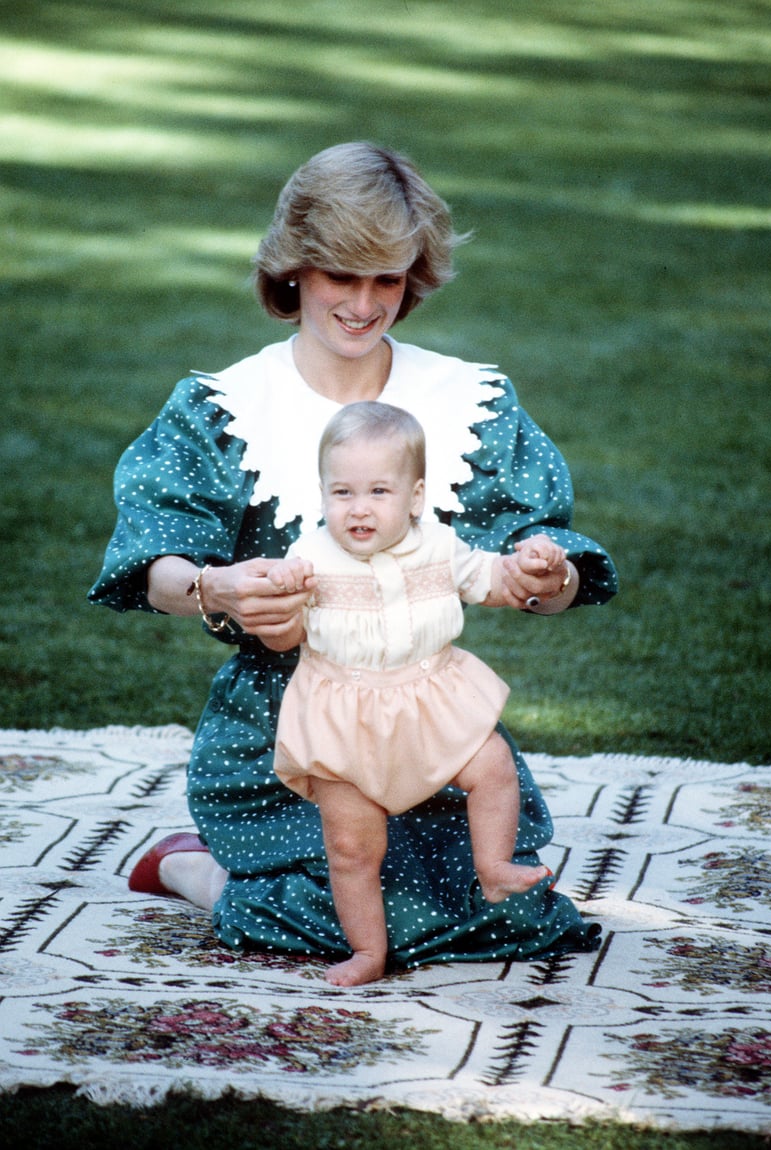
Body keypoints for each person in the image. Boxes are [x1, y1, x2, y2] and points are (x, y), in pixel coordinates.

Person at [90, 141, 617, 981]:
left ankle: (314, 885)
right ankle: (200, 867)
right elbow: (150, 556)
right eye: (343, 274)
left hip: (422, 715)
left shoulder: (469, 402)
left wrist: (544, 576)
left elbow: (547, 554)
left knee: (507, 913)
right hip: (287, 727)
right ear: (293, 268)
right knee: (346, 910)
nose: (367, 303)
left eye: (389, 278)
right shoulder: (222, 407)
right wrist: (208, 587)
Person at [268, 400, 567, 985]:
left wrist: (530, 562)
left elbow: (492, 580)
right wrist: (278, 593)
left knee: (493, 763)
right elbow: (281, 623)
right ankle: (368, 952)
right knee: (353, 847)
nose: (358, 509)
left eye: (379, 492)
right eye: (342, 492)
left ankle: (493, 865)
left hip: (430, 697)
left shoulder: (440, 546)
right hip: (342, 716)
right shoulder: (309, 557)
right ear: (322, 493)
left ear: (414, 497)